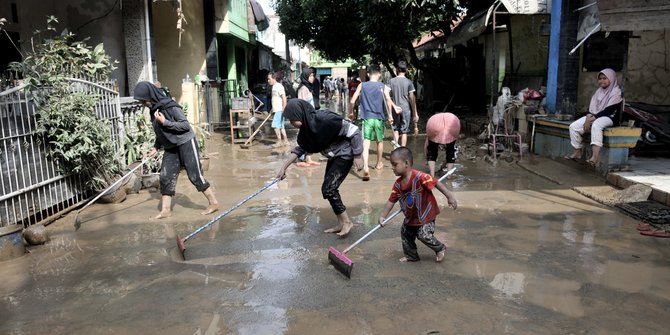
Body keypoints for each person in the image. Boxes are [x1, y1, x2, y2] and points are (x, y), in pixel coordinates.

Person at [276, 99, 364, 237]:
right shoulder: (306, 131)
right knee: (328, 190)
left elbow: (354, 131)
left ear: (300, 114)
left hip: (345, 153)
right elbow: (300, 149)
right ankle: (342, 223)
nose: (291, 123)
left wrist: (358, 155)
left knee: (329, 189)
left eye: (293, 119)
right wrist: (284, 168)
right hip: (334, 156)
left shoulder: (325, 119)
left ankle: (347, 222)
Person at [133, 81, 219, 219]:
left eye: (144, 100)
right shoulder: (153, 110)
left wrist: (165, 122)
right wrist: (156, 147)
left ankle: (213, 203)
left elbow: (185, 125)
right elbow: (160, 131)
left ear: (150, 95)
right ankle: (166, 210)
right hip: (170, 146)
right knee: (165, 176)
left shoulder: (170, 106)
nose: (143, 104)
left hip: (185, 142)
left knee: (195, 175)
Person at [378, 147, 458, 262]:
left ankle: (440, 248)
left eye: (395, 164)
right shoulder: (398, 185)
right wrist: (382, 216)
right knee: (405, 233)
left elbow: (436, 183)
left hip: (426, 215)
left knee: (423, 235)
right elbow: (391, 201)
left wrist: (449, 197)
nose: (392, 168)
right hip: (411, 216)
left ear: (406, 163)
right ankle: (411, 255)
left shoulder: (421, 177)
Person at [565, 68, 623, 166]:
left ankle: (595, 157)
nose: (602, 81)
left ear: (612, 79)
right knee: (573, 126)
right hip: (595, 116)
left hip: (609, 117)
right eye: (600, 78)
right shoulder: (598, 92)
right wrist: (588, 118)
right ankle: (577, 151)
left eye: (605, 78)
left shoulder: (616, 92)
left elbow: (608, 110)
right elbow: (591, 108)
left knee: (596, 124)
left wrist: (591, 120)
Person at [349, 64, 394, 181]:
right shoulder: (382, 86)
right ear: (379, 74)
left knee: (366, 143)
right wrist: (390, 115)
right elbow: (388, 100)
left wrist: (351, 113)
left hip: (367, 118)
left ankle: (366, 168)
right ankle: (379, 163)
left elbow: (352, 100)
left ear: (368, 74)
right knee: (380, 141)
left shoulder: (362, 85)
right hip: (379, 119)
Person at [388, 61, 419, 147]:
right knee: (404, 131)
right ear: (406, 70)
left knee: (396, 129)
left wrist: (389, 112)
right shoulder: (409, 82)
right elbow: (412, 99)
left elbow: (387, 96)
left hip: (395, 109)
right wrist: (415, 113)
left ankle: (395, 148)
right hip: (406, 109)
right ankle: (403, 150)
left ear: (397, 69)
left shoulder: (391, 81)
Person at [295, 68, 320, 167]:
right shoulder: (303, 88)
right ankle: (299, 159)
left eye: (313, 76)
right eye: (310, 76)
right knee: (303, 138)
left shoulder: (308, 87)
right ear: (306, 77)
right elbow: (301, 104)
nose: (312, 78)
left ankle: (308, 158)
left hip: (310, 116)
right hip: (305, 117)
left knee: (310, 138)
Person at [425, 112, 461, 178]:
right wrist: (443, 166)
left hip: (433, 126)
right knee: (450, 149)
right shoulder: (453, 119)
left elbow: (427, 149)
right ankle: (449, 175)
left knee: (432, 149)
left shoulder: (433, 120)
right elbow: (452, 153)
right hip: (452, 127)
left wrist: (427, 160)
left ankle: (432, 175)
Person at [267, 71, 290, 148]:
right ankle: (286, 141)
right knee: (281, 126)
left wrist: (284, 107)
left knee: (275, 126)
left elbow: (284, 97)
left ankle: (279, 141)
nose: (268, 81)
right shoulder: (274, 87)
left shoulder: (279, 86)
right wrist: (272, 109)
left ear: (274, 78)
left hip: (279, 109)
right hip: (276, 109)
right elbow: (275, 99)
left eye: (269, 79)